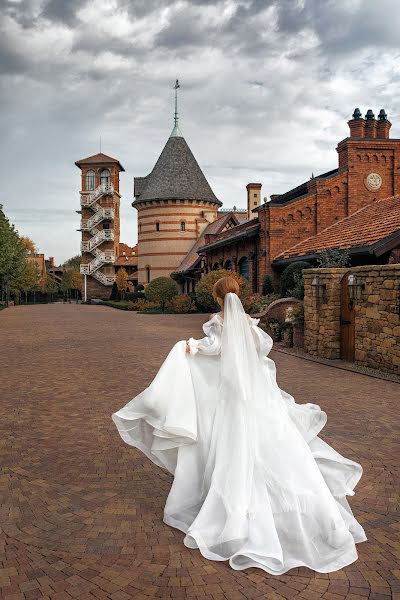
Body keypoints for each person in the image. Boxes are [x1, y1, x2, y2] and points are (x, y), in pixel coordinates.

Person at [111, 275, 367, 575]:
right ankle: (315, 516)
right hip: (260, 396)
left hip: (230, 399)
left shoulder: (218, 322)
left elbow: (214, 349)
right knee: (276, 446)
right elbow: (262, 350)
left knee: (233, 447)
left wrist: (191, 347)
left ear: (218, 298)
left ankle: (235, 512)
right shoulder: (249, 323)